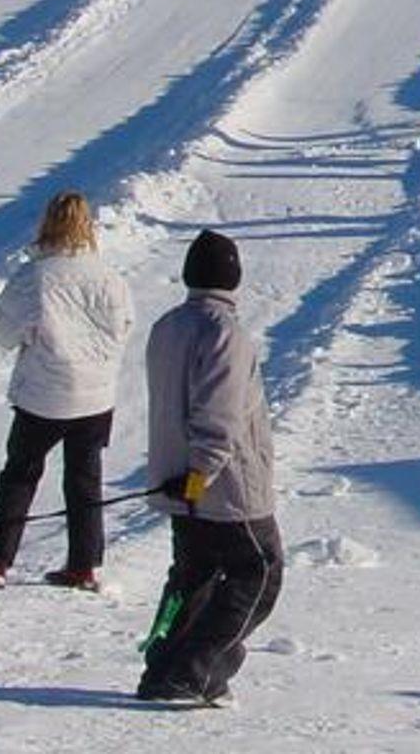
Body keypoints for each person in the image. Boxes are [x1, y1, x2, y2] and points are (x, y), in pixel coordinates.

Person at [137, 229, 283, 707]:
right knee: (258, 573)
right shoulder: (226, 334)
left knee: (192, 578)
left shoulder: (168, 325)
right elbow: (219, 417)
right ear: (233, 278)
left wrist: (186, 477)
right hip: (223, 487)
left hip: (181, 483)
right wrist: (200, 473)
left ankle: (163, 670)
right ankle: (195, 673)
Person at [0, 192, 135, 591]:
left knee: (20, 475)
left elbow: (1, 329)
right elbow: (125, 327)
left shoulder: (35, 276)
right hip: (95, 397)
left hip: (44, 395)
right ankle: (83, 566)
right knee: (84, 480)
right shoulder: (110, 277)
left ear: (47, 223)